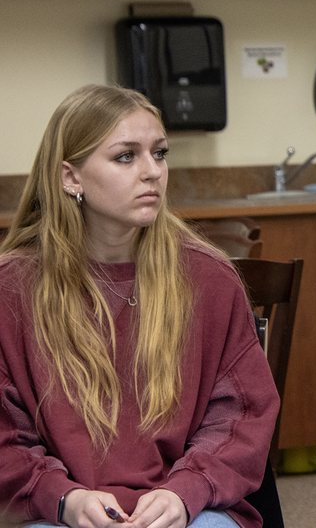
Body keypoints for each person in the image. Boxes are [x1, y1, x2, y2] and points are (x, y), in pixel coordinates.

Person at [0, 85, 279, 528]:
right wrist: (63, 498)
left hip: (189, 507)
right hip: (55, 512)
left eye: (160, 153)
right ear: (70, 177)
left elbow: (241, 418)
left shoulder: (208, 278)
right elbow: (5, 438)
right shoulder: (12, 287)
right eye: (126, 156)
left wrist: (185, 492)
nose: (153, 172)